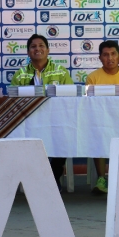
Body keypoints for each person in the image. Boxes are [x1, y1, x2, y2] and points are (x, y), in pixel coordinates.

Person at [10, 34, 73, 185]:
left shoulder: (61, 72)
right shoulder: (20, 74)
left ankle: (52, 178)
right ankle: (34, 179)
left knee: (63, 137)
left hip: (56, 121)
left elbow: (71, 98)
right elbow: (12, 100)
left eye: (41, 46)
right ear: (28, 52)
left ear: (48, 50)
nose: (37, 49)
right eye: (33, 46)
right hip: (29, 122)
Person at [86, 40, 119, 195]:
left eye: (113, 54)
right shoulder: (92, 78)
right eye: (105, 55)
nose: (110, 58)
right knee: (98, 133)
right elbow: (91, 106)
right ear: (100, 58)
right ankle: (102, 179)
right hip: (101, 121)